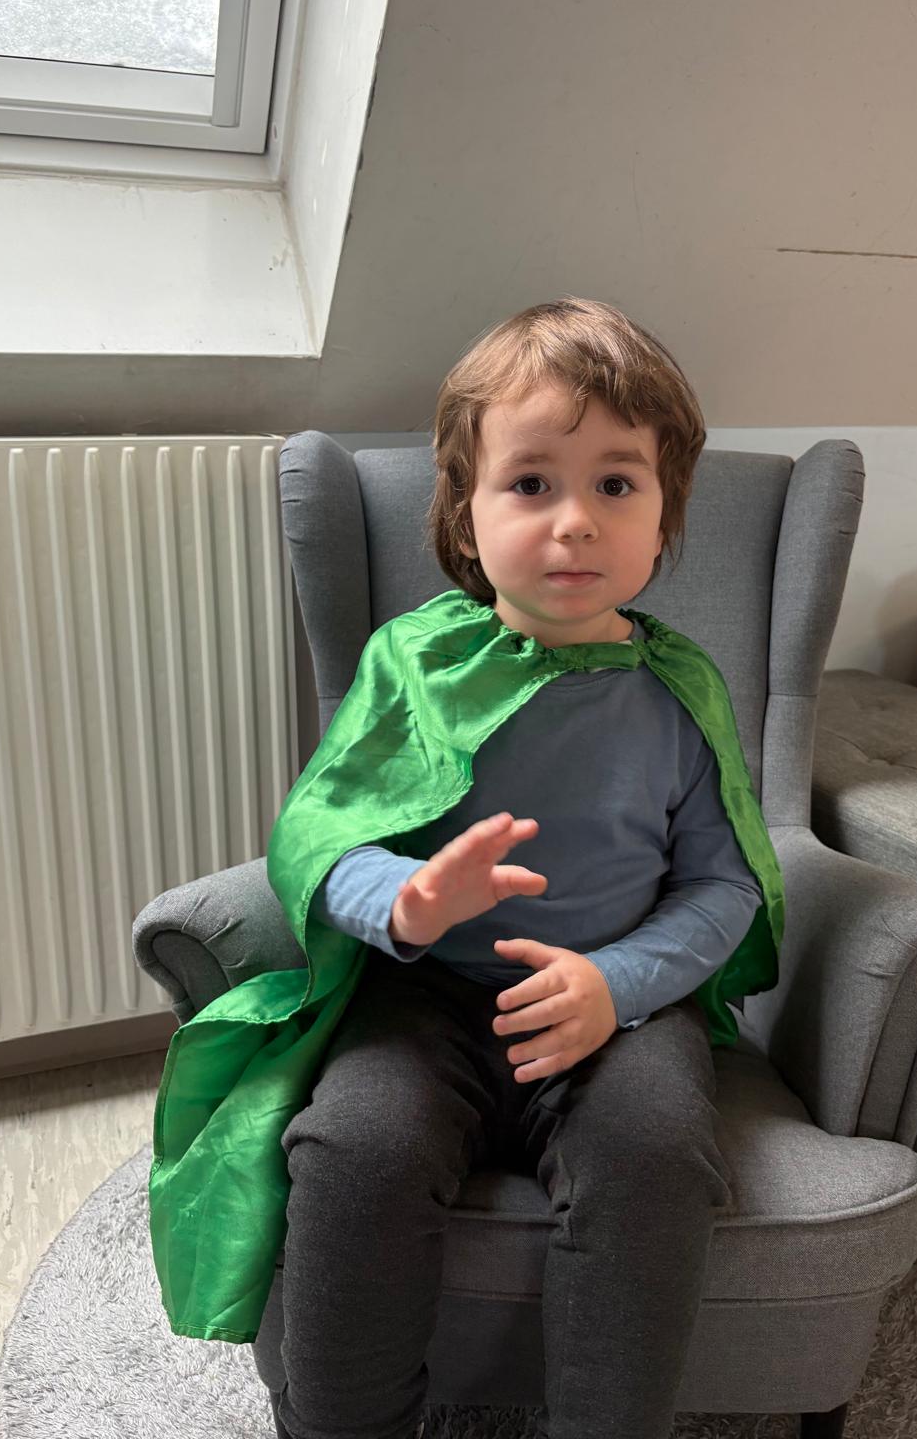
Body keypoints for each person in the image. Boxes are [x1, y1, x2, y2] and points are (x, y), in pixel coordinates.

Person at [268, 296, 783, 1439]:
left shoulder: (679, 695)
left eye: (618, 483)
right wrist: (404, 900)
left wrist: (618, 983)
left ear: (666, 510)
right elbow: (315, 833)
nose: (576, 523)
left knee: (655, 1156)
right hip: (428, 996)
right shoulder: (413, 665)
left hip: (616, 1009)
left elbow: (723, 884)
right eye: (532, 482)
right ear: (467, 510)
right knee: (354, 1148)